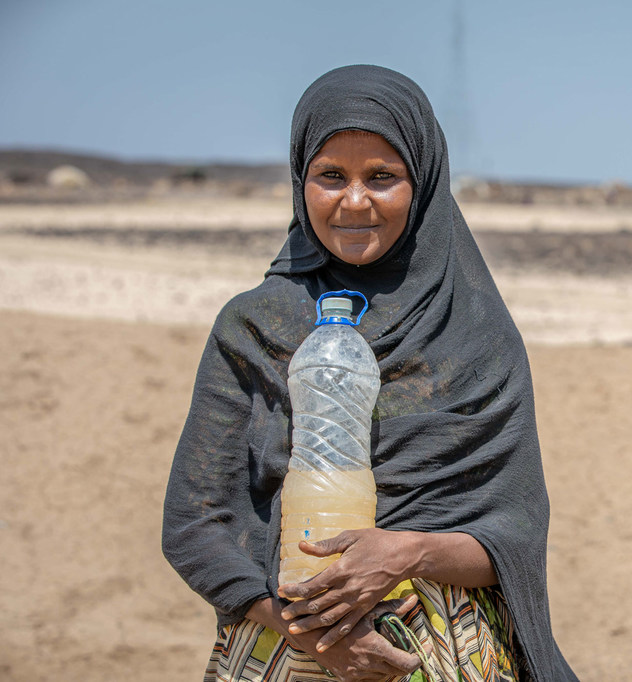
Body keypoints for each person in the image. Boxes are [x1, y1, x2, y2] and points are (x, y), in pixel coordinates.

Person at [162, 65, 577, 682]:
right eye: (331, 176)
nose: (355, 201)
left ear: (425, 182)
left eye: (382, 177)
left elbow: (514, 537)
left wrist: (407, 551)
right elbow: (194, 523)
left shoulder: (477, 337)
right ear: (300, 181)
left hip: (444, 651)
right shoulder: (256, 325)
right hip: (285, 643)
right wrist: (313, 633)